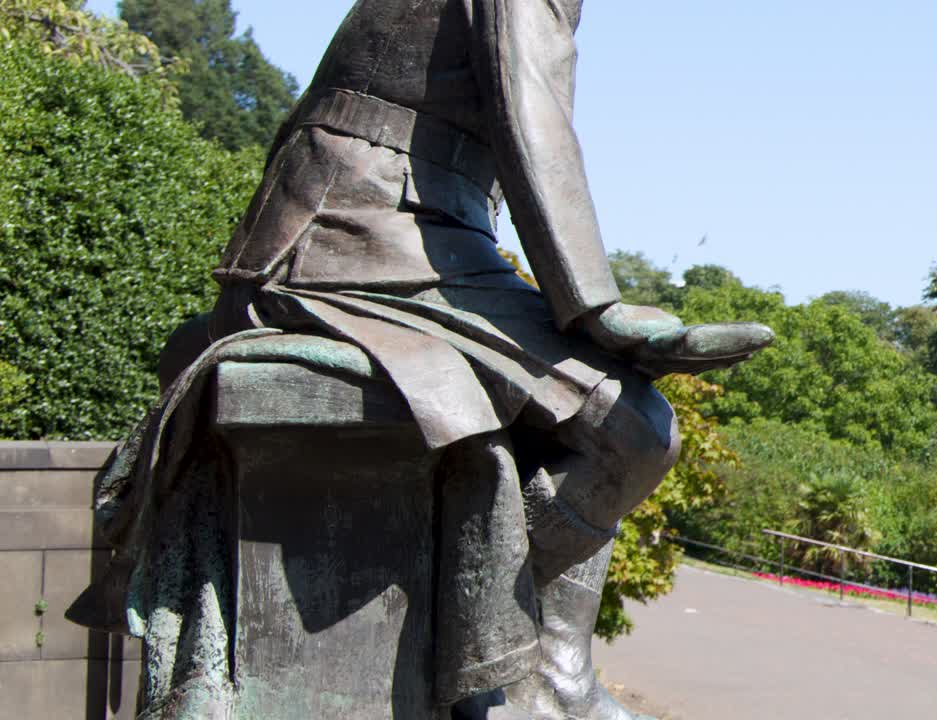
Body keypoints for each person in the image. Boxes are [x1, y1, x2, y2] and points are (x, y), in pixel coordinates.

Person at [74, 2, 772, 719]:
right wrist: (598, 311)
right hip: (361, 230)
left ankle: (493, 666)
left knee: (613, 418)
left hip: (411, 231)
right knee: (630, 426)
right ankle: (537, 679)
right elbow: (532, 120)